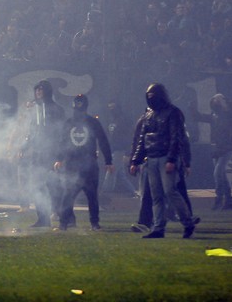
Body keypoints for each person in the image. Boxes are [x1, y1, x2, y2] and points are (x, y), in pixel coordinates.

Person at [130, 83, 196, 239]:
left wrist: (172, 159)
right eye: (149, 96)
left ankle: (188, 222)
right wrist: (135, 161)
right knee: (157, 196)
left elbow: (176, 137)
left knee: (170, 192)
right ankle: (158, 228)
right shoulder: (148, 115)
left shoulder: (173, 113)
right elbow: (142, 140)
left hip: (166, 157)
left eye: (153, 96)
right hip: (152, 159)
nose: (150, 99)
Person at [8, 80, 65, 227]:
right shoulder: (35, 110)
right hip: (38, 153)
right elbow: (32, 132)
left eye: (41, 90)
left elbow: (61, 133)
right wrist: (23, 147)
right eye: (37, 90)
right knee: (37, 185)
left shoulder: (56, 109)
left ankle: (58, 212)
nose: (39, 92)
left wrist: (59, 155)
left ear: (47, 91)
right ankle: (43, 218)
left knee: (53, 184)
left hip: (51, 152)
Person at [54, 94, 113, 231]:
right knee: (68, 195)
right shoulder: (70, 123)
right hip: (72, 165)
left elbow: (103, 141)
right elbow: (62, 142)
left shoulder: (92, 122)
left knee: (90, 196)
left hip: (88, 165)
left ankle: (94, 223)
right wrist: (59, 159)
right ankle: (64, 223)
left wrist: (109, 160)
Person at [190, 93, 232, 210]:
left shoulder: (229, 115)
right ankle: (229, 201)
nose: (216, 101)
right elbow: (198, 117)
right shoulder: (214, 115)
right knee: (222, 176)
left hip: (227, 149)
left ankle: (219, 201)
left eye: (218, 99)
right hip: (216, 149)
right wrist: (192, 106)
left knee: (218, 173)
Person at [101, 101, 137, 198]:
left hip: (119, 150)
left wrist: (127, 151)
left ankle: (106, 194)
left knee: (111, 172)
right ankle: (134, 192)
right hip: (112, 149)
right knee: (121, 175)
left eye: (113, 107)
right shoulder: (110, 119)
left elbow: (129, 136)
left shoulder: (124, 120)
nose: (111, 110)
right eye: (109, 107)